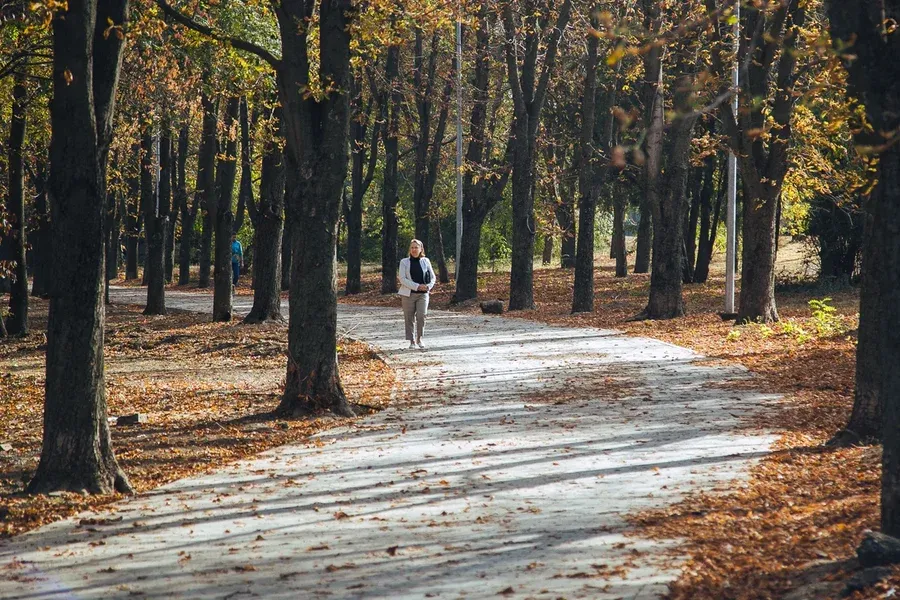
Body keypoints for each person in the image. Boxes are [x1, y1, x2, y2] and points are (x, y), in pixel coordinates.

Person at [398, 239, 436, 350]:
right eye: (412, 247)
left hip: (423, 294)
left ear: (421, 249)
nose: (414, 250)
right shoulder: (404, 262)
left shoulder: (426, 261)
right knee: (409, 318)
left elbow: (433, 277)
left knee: (422, 315)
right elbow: (402, 279)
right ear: (410, 249)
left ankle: (420, 338)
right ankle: (412, 341)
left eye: (416, 247)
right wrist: (417, 286)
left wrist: (428, 286)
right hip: (408, 294)